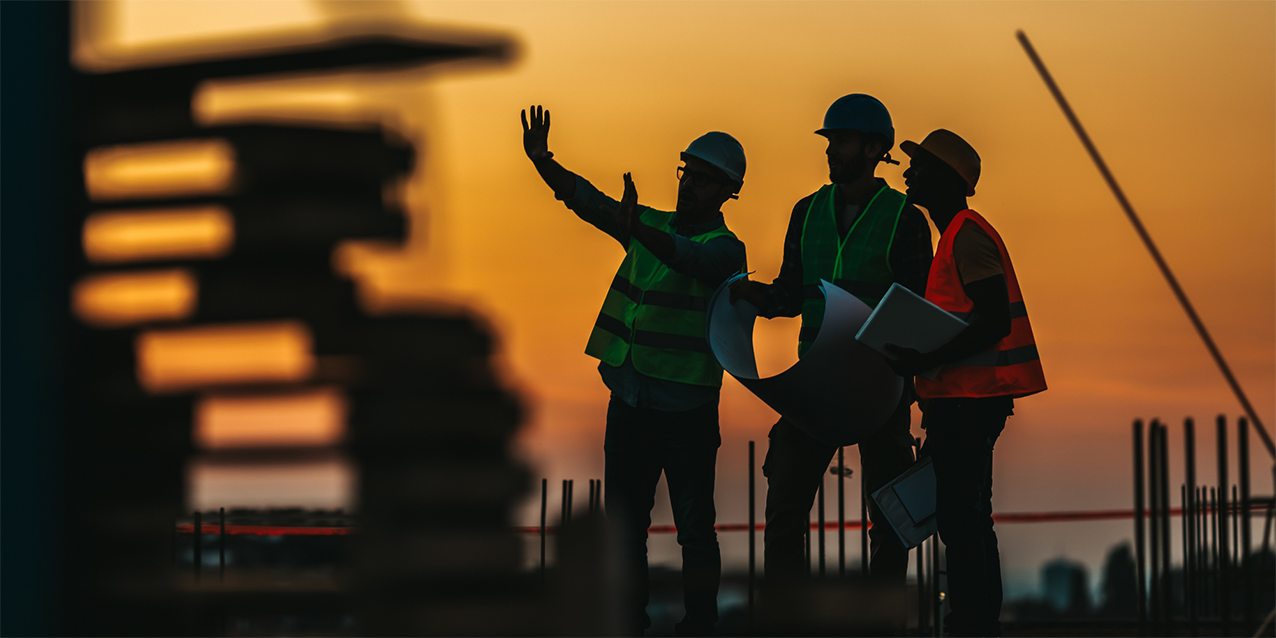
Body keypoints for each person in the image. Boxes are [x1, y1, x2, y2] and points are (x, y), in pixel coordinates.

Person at [521, 105, 748, 637]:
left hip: (686, 411)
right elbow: (590, 204)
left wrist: (638, 232)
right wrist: (543, 163)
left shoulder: (726, 249)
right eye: (686, 172)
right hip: (629, 400)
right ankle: (628, 624)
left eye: (703, 179)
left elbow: (691, 261)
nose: (689, 185)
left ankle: (700, 625)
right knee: (625, 529)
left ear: (726, 192)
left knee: (695, 529)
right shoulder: (647, 224)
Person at [730, 94, 932, 595]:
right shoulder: (807, 212)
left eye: (840, 141)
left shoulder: (903, 218)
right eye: (830, 141)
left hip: (881, 388)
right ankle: (788, 623)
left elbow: (918, 312)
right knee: (783, 514)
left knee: (888, 520)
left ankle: (879, 625)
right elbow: (793, 292)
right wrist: (758, 298)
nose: (830, 150)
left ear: (872, 148)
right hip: (816, 386)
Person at [886, 129, 1047, 638]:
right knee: (969, 517)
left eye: (920, 166)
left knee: (962, 518)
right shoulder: (953, 236)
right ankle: (977, 622)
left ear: (947, 178)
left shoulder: (966, 234)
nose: (909, 173)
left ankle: (972, 623)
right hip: (962, 402)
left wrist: (924, 357)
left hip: (971, 404)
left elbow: (993, 319)